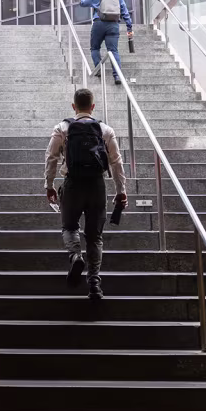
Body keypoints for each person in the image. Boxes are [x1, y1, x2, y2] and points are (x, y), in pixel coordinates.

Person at [44, 88, 128, 300]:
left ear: (74, 106)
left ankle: (75, 257)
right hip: (96, 186)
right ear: (92, 106)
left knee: (70, 226)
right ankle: (94, 285)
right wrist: (121, 191)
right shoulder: (105, 129)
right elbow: (116, 162)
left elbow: (51, 157)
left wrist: (49, 185)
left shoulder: (62, 127)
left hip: (72, 184)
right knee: (95, 236)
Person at [79, 0, 133, 84]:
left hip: (99, 23)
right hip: (113, 25)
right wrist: (129, 27)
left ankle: (99, 69)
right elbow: (125, 12)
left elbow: (82, 3)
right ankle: (117, 76)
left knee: (95, 48)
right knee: (113, 51)